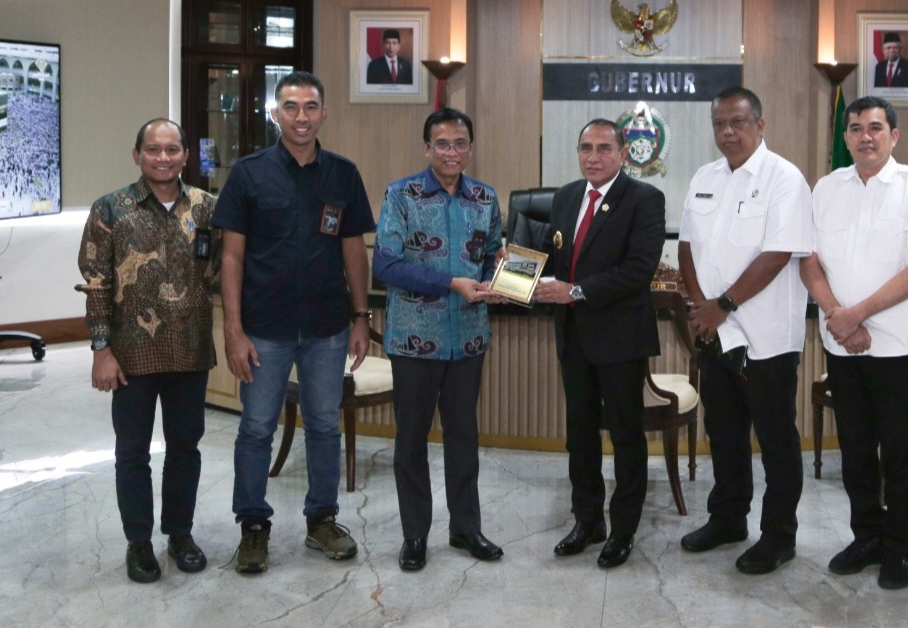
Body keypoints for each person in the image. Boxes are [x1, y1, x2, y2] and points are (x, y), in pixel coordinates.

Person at [213, 71, 376, 574]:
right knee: (257, 429)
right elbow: (232, 259)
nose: (300, 116)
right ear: (275, 113)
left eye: (310, 107)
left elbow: (353, 252)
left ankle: (322, 520)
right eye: (290, 107)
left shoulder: (343, 174)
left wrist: (361, 317)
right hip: (264, 328)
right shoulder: (248, 174)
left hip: (328, 328)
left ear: (324, 113)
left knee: (324, 426)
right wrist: (233, 331)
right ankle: (254, 527)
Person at [799, 96, 908, 590]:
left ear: (894, 136)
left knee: (898, 452)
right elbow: (809, 261)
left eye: (876, 127)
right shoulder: (826, 188)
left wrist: (855, 315)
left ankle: (899, 550)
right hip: (842, 345)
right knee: (856, 450)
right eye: (857, 128)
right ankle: (866, 537)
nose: (866, 136)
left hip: (896, 348)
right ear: (846, 138)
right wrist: (838, 318)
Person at [677, 86, 813, 574]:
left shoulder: (785, 179)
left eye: (737, 122)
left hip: (766, 338)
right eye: (719, 124)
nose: (727, 132)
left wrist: (724, 305)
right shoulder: (704, 176)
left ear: (760, 124)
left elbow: (778, 254)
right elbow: (687, 245)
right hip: (715, 334)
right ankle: (728, 519)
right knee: (724, 431)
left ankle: (779, 536)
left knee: (776, 438)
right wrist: (699, 306)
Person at [77, 118, 219, 583]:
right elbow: (96, 284)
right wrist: (101, 349)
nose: (163, 157)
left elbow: (223, 273)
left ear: (184, 155)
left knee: (185, 448)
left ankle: (179, 534)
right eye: (153, 149)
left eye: (172, 149)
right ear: (136, 153)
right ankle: (138, 542)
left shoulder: (207, 208)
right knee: (132, 451)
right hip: (130, 355)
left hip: (189, 350)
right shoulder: (110, 209)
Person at [372, 107, 506, 572]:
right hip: (414, 339)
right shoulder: (401, 195)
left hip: (468, 338)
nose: (452, 152)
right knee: (410, 440)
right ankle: (415, 535)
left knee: (464, 437)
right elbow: (385, 265)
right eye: (443, 144)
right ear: (427, 148)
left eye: (460, 143)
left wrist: (499, 278)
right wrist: (453, 282)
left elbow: (492, 256)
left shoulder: (484, 198)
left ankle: (466, 527)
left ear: (471, 147)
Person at [534, 119, 666, 569]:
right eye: (586, 147)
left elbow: (638, 269)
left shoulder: (645, 199)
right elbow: (556, 258)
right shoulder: (567, 196)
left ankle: (623, 528)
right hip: (573, 338)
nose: (594, 156)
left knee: (627, 436)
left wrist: (575, 291)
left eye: (604, 148)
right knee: (580, 435)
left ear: (623, 152)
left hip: (620, 339)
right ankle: (587, 521)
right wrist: (514, 268)